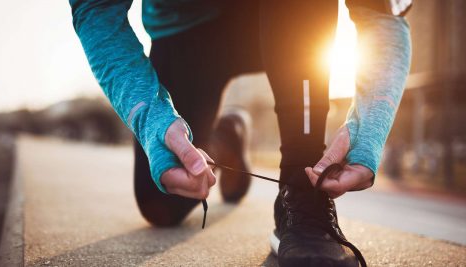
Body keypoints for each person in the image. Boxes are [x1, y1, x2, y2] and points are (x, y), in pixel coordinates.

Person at [69, 0, 411, 266]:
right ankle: (224, 138)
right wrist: (154, 121)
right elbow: (95, 10)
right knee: (160, 203)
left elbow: (384, 14)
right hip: (186, 28)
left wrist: (369, 126)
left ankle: (302, 193)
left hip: (291, 19)